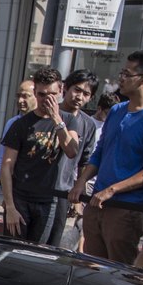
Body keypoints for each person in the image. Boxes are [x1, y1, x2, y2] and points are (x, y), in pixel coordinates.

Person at [69, 49, 143, 266]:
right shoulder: (116, 111)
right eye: (121, 72)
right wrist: (81, 182)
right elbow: (100, 152)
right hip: (96, 203)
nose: (121, 79)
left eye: (127, 74)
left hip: (126, 209)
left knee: (118, 275)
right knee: (90, 268)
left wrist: (112, 190)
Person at [0, 67, 80, 244]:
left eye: (51, 94)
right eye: (42, 94)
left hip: (47, 200)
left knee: (38, 254)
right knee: (12, 250)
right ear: (35, 93)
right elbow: (6, 165)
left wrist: (56, 119)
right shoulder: (21, 124)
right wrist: (10, 206)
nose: (46, 100)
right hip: (20, 198)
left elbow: (72, 150)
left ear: (61, 91)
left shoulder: (69, 120)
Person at [44, 69, 100, 249]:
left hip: (63, 191)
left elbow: (85, 160)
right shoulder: (45, 113)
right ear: (65, 88)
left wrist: (79, 189)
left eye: (86, 94)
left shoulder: (88, 124)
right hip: (38, 187)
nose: (79, 97)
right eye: (76, 90)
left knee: (54, 244)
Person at [0, 79, 36, 213]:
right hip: (15, 192)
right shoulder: (13, 123)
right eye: (18, 96)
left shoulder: (49, 123)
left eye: (25, 96)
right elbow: (2, 158)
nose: (20, 100)